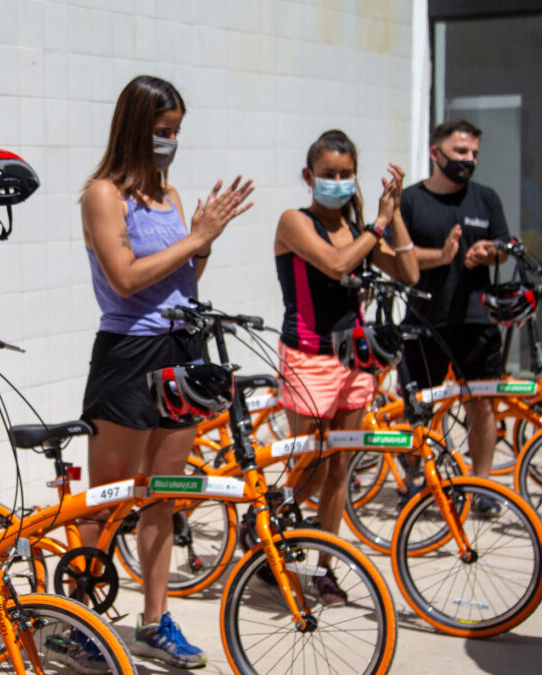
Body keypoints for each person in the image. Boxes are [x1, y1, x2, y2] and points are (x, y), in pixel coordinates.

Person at [79, 75, 254, 669]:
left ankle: (156, 621)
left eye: (176, 132)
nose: (170, 142)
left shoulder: (172, 197)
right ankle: (81, 619)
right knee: (106, 501)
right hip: (129, 354)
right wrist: (196, 239)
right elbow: (126, 278)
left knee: (165, 497)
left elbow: (181, 280)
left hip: (184, 350)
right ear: (133, 128)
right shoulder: (103, 194)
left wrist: (204, 244)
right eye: (160, 132)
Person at [273, 130, 417, 604]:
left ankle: (323, 567)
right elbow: (336, 267)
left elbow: (410, 273)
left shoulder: (358, 231)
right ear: (308, 176)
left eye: (345, 174)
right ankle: (276, 537)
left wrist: (393, 220)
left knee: (339, 468)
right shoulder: (295, 222)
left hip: (354, 361)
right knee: (310, 465)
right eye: (328, 174)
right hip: (307, 357)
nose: (337, 182)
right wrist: (376, 224)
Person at [399, 119, 509, 514]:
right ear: (436, 153)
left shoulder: (486, 199)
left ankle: (483, 487)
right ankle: (419, 481)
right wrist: (442, 257)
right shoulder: (410, 201)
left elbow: (503, 247)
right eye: (461, 152)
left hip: (476, 320)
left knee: (482, 404)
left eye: (474, 154)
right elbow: (398, 259)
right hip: (423, 320)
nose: (469, 160)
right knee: (421, 407)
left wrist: (489, 254)